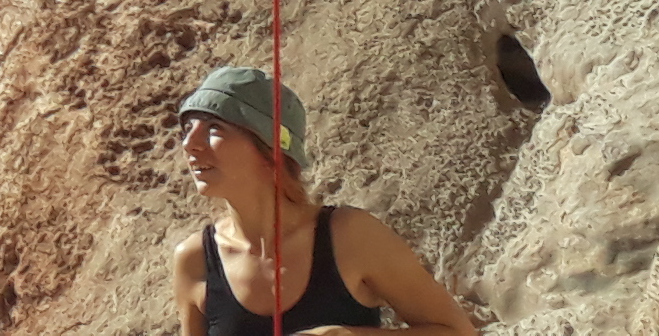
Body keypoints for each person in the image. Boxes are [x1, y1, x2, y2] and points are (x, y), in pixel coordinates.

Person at [170, 66, 474, 336]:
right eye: (187, 129)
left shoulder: (351, 237)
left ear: (270, 152)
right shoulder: (194, 261)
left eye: (214, 129)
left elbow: (458, 332)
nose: (189, 144)